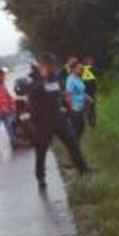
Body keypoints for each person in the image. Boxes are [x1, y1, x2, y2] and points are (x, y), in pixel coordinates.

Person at [26, 52, 89, 189]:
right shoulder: (33, 78)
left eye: (52, 66)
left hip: (58, 118)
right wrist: (41, 79)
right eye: (48, 65)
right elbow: (30, 92)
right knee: (41, 150)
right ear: (42, 65)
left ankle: (84, 170)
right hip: (42, 122)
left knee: (73, 143)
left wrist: (66, 106)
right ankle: (40, 177)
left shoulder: (55, 77)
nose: (51, 68)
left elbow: (60, 90)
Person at [65, 57, 87, 140]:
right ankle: (75, 146)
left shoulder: (78, 78)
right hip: (74, 109)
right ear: (73, 69)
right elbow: (68, 95)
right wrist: (71, 109)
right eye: (78, 68)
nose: (80, 69)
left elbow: (81, 91)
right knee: (76, 129)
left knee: (81, 128)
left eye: (80, 68)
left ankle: (76, 145)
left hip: (80, 107)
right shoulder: (70, 79)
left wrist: (87, 97)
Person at [80, 54, 98, 130]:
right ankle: (90, 124)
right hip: (87, 92)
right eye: (90, 60)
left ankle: (91, 124)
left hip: (90, 92)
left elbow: (93, 81)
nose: (91, 61)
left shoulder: (88, 69)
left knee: (90, 109)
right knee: (89, 109)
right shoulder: (86, 70)